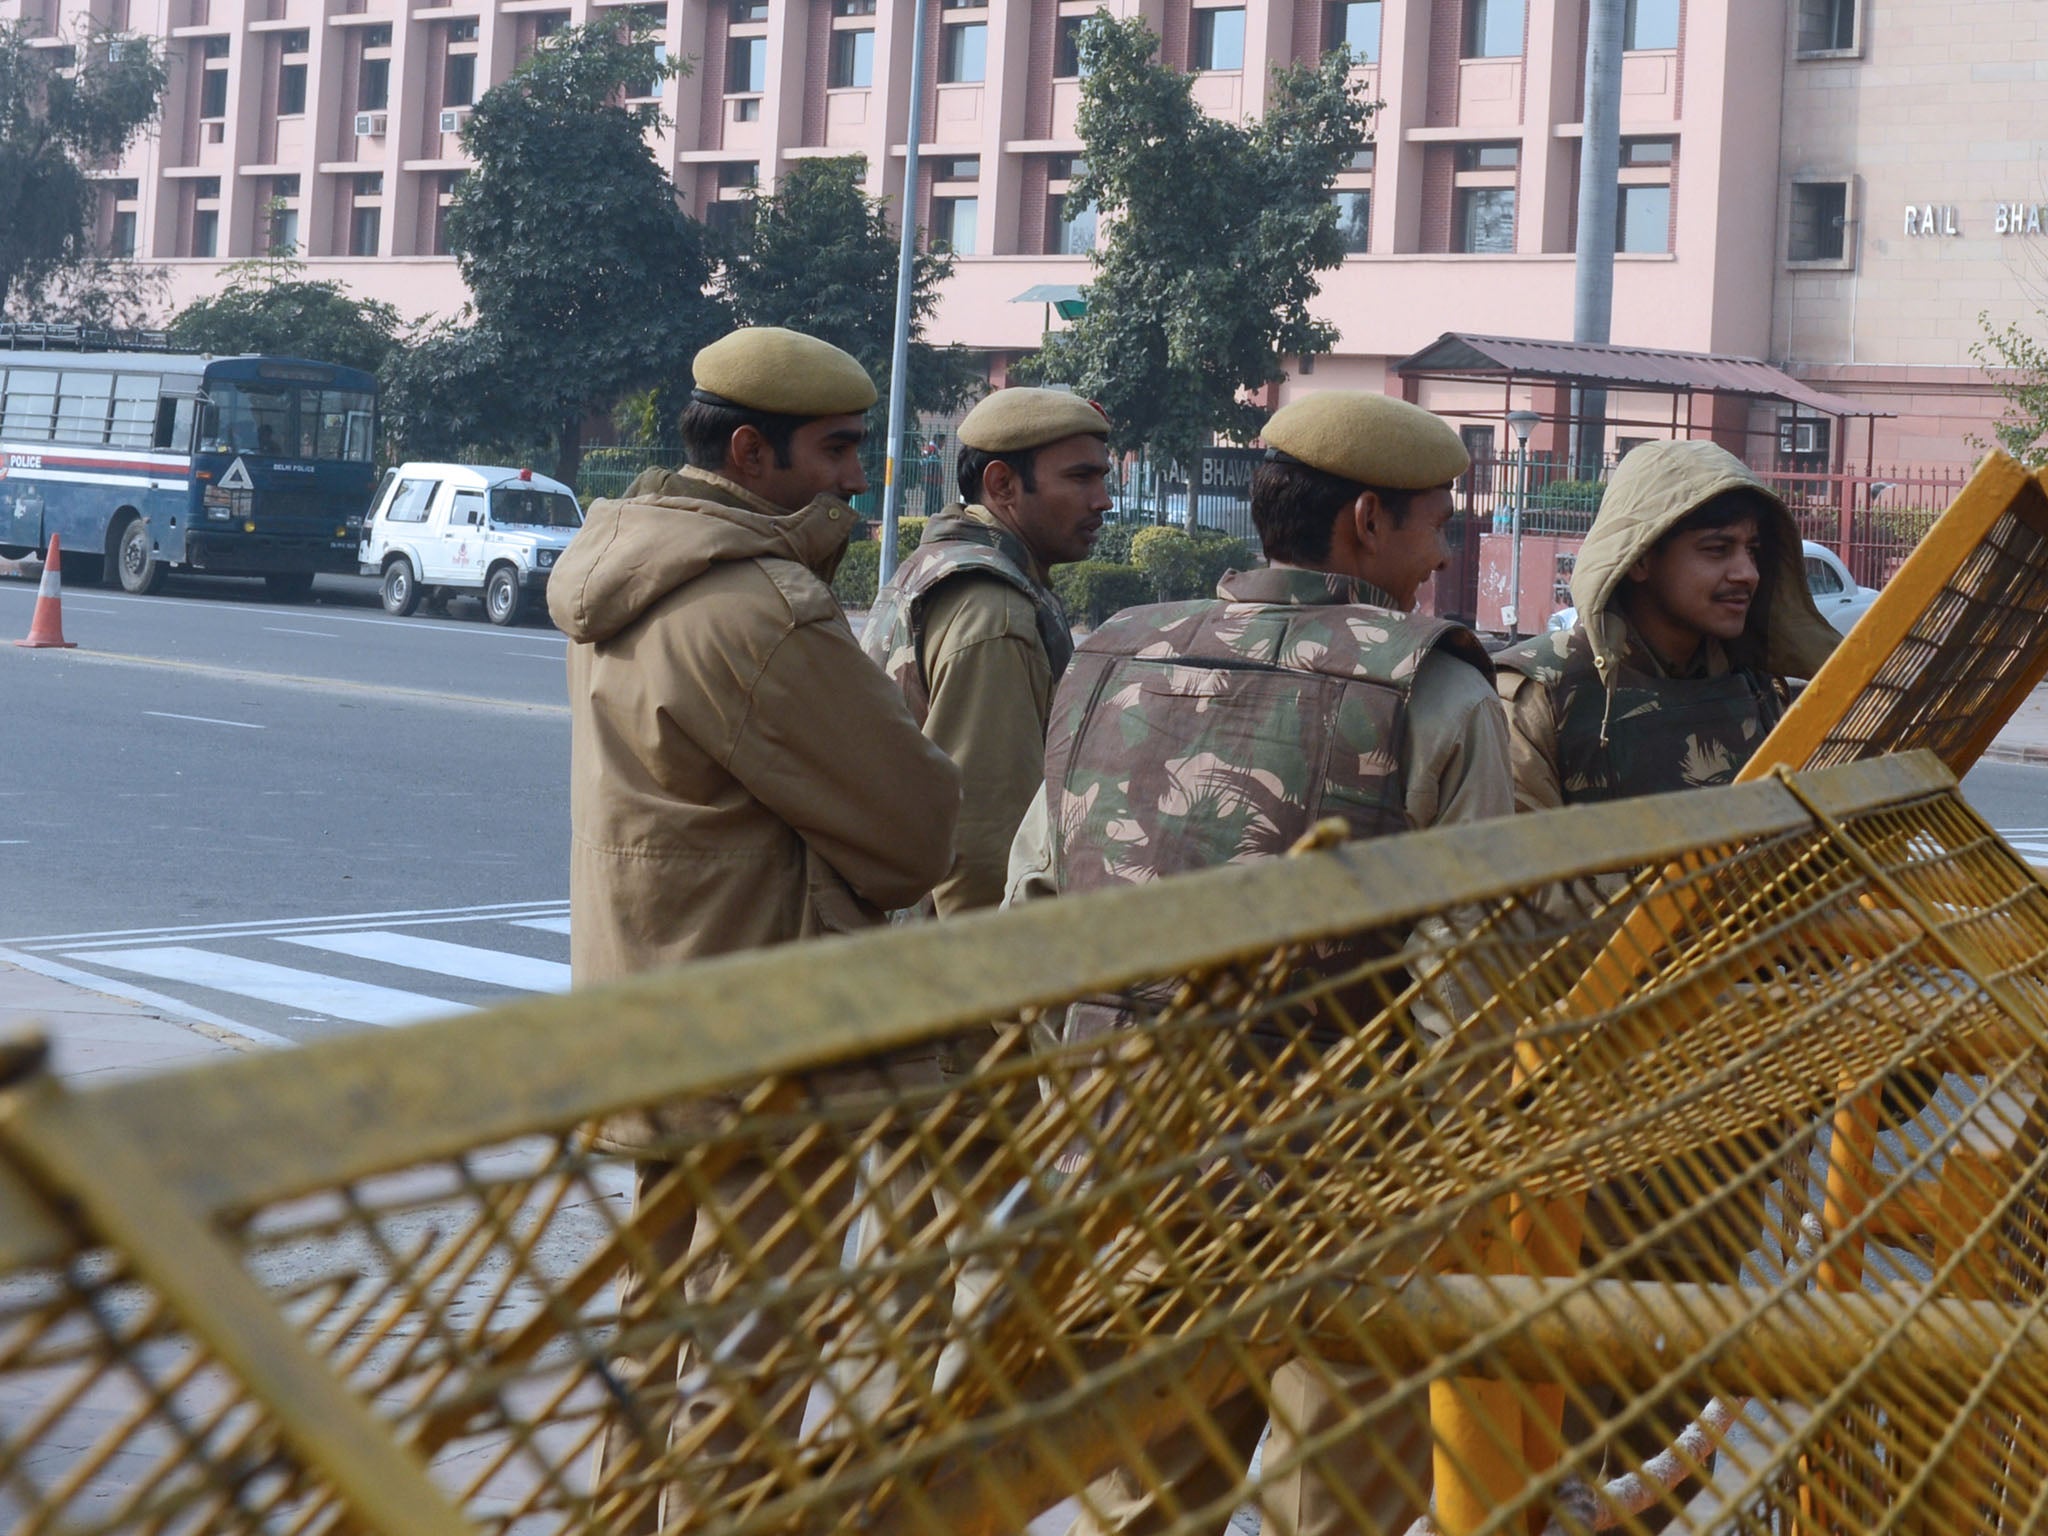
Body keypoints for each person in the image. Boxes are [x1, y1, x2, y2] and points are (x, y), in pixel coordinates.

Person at [1008, 390, 1515, 1536]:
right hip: (1342, 1172)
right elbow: (1465, 976)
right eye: (1437, 522)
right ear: (1367, 521)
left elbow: (1030, 905)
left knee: (1138, 1486)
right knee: (1331, 1494)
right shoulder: (1436, 690)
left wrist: (1065, 1104)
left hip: (1118, 1143)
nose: (1444, 554)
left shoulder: (1113, 653)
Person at [547, 325, 962, 1532]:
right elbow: (914, 829)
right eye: (836, 451)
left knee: (652, 1346)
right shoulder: (763, 608)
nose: (853, 478)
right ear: (748, 448)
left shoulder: (615, 570)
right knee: (749, 1376)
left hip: (654, 1014)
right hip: (765, 1041)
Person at [864, 387, 1111, 915]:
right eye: (1080, 477)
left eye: (1102, 477)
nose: (1103, 499)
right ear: (1002, 484)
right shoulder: (993, 610)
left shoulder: (939, 564)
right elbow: (983, 851)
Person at [1493, 438, 1840, 811]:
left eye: (1752, 551)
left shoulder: (1756, 687)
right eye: (1717, 550)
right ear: (1640, 559)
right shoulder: (1538, 697)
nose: (1748, 573)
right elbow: (1512, 858)